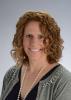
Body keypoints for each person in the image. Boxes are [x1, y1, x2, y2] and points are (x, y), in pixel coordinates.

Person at [1, 11, 71, 100]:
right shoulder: (11, 75)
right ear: (21, 38)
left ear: (51, 40)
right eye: (29, 36)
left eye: (41, 37)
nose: (34, 43)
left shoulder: (64, 81)